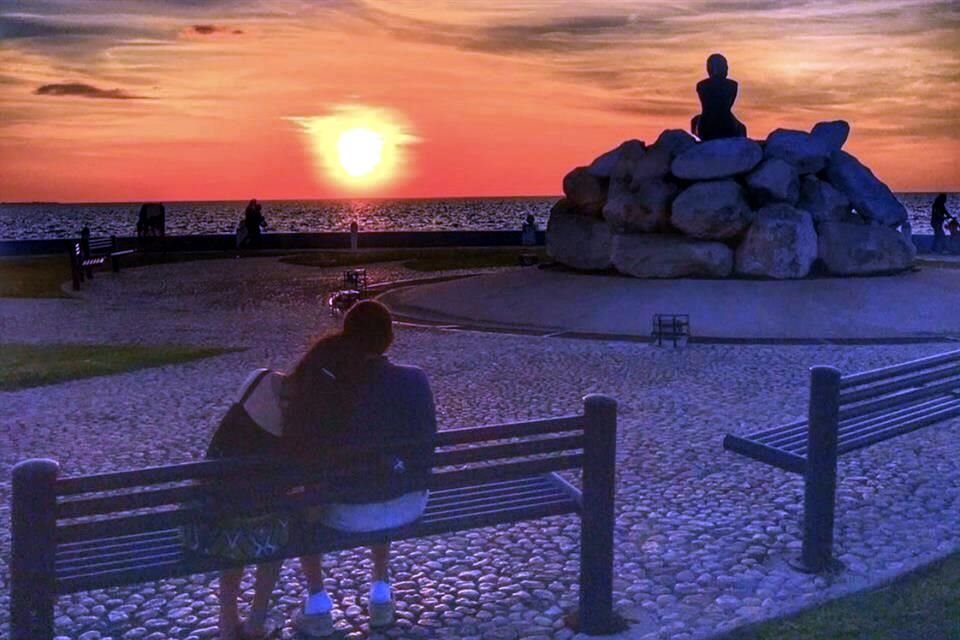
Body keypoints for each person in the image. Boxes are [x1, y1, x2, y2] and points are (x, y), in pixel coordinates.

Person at [250, 301, 437, 637]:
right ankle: (381, 590)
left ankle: (317, 600)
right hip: (409, 503)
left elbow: (304, 460)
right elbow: (424, 447)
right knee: (384, 474)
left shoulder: (329, 385)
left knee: (306, 497)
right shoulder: (415, 379)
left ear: (347, 336)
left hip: (348, 512)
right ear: (390, 338)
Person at [690, 53, 747, 141]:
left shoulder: (701, 85)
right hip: (726, 123)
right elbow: (728, 105)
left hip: (706, 124)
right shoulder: (732, 85)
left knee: (694, 121)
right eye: (726, 66)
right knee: (742, 128)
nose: (727, 69)